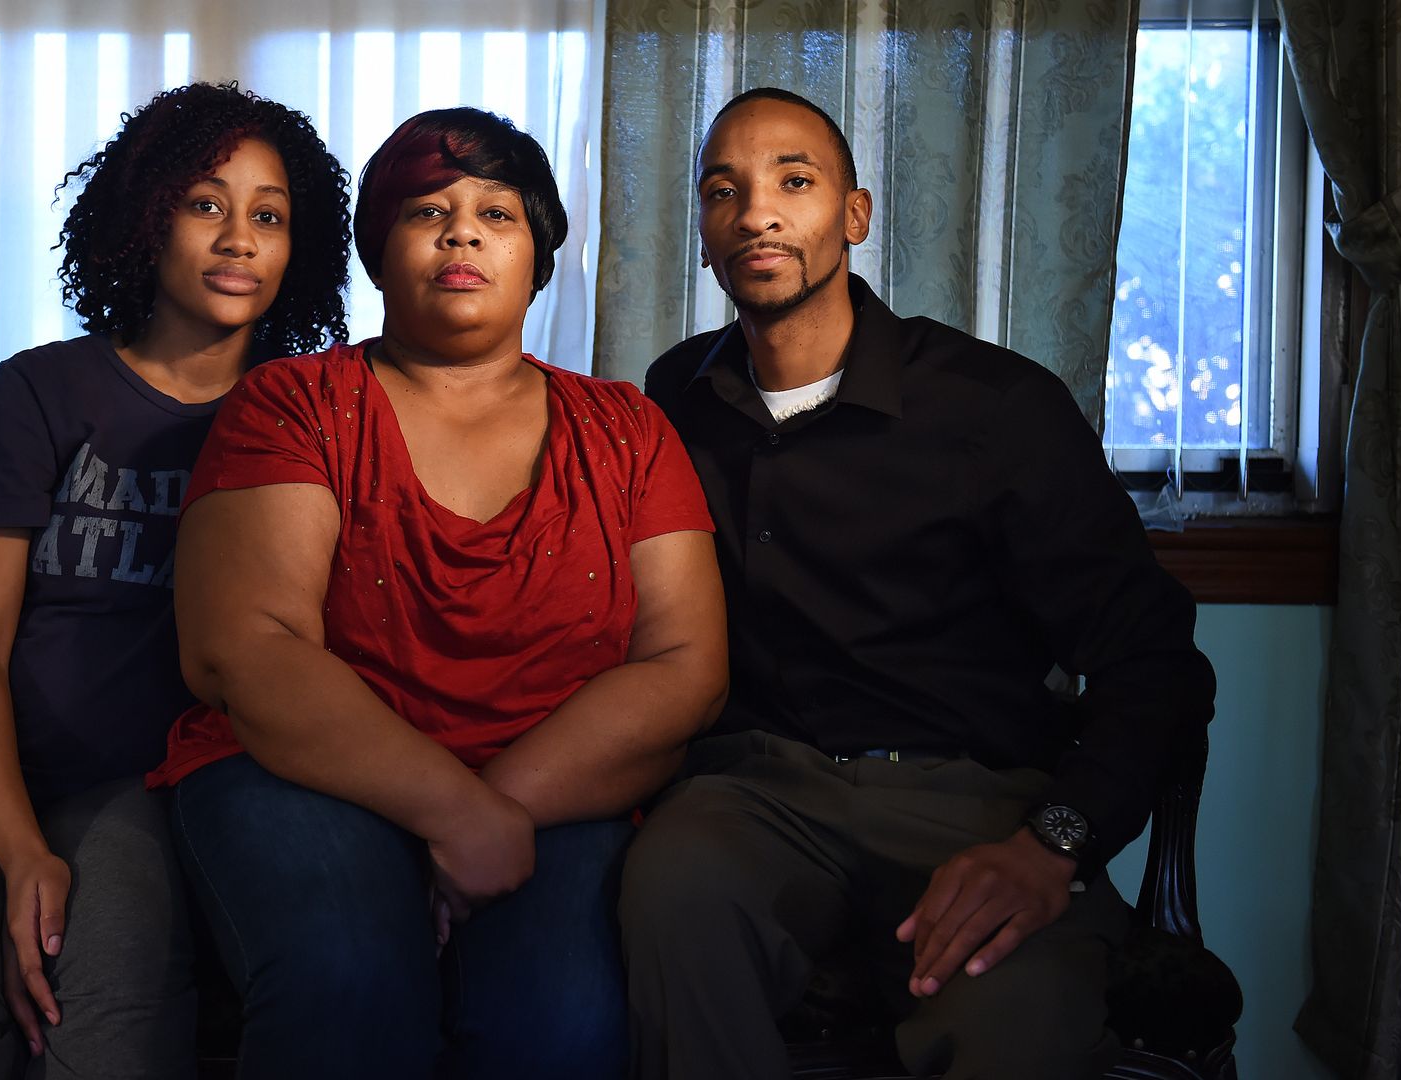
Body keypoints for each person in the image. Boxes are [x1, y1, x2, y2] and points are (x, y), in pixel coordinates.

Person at [620, 87, 1217, 1080]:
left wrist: (1053, 843)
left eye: (794, 182)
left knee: (1018, 1020)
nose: (757, 213)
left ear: (854, 215)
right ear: (705, 234)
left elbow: (1153, 662)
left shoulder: (997, 405)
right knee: (668, 894)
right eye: (724, 191)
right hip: (759, 795)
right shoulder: (676, 396)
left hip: (975, 799)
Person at [156, 106, 728, 1080]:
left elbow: (685, 666)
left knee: (564, 1027)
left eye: (496, 214)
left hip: (559, 785)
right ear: (377, 253)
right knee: (349, 984)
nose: (462, 234)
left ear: (538, 260)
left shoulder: (629, 428)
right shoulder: (292, 403)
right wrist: (455, 815)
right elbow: (247, 647)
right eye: (428, 211)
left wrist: (494, 809)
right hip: (301, 775)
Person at [0, 82, 351, 1080]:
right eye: (205, 204)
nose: (238, 238)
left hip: (142, 790)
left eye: (270, 216)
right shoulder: (42, 390)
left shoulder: (307, 419)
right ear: (146, 219)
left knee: (112, 1030)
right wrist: (21, 854)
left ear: (301, 247)